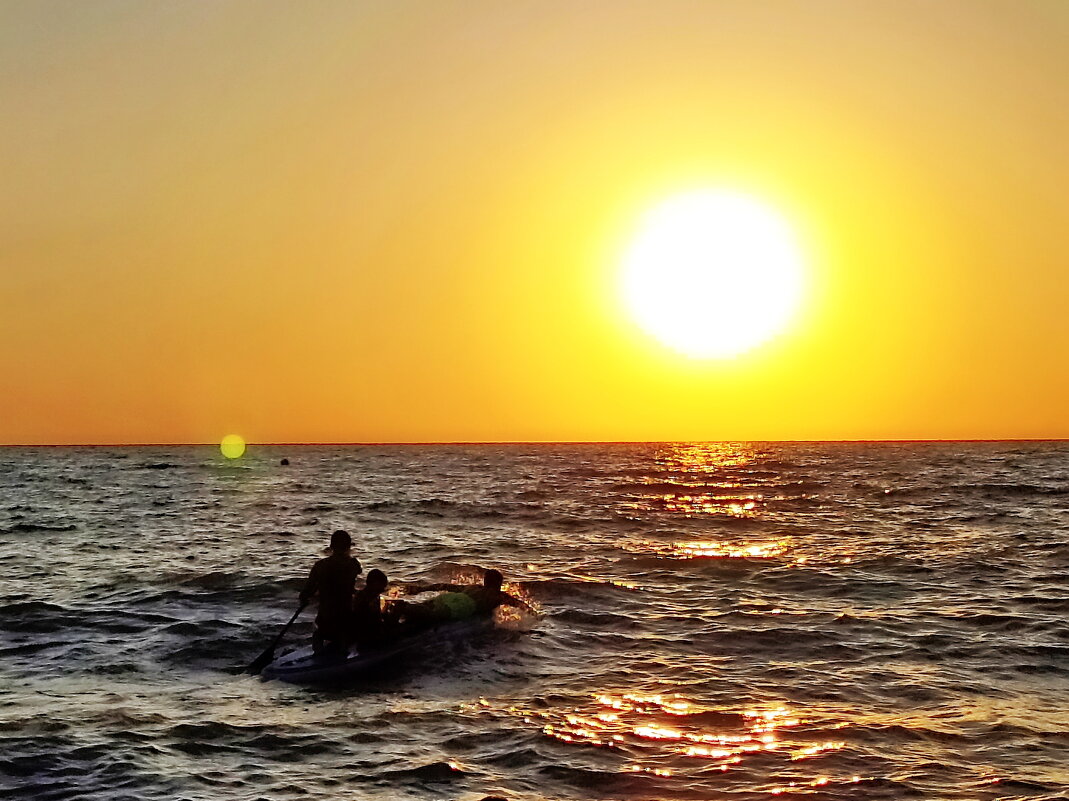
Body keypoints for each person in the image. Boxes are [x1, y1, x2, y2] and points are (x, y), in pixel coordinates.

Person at [395, 569, 534, 627]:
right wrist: (535, 615)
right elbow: (519, 604)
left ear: (485, 581)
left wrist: (421, 589)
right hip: (460, 606)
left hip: (449, 598)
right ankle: (403, 609)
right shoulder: (498, 595)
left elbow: (445, 586)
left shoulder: (474, 587)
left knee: (424, 608)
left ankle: (397, 609)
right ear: (499, 584)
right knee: (431, 615)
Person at [299, 529, 362, 654]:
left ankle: (318, 642)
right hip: (345, 623)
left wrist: (305, 599)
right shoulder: (353, 565)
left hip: (324, 623)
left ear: (331, 546)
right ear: (349, 547)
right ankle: (344, 649)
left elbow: (305, 593)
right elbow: (354, 573)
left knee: (322, 626)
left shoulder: (320, 566)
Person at [350, 568, 389, 648]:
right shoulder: (364, 599)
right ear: (374, 584)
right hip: (367, 637)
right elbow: (366, 621)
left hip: (370, 632)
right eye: (381, 586)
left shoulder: (373, 597)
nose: (382, 589)